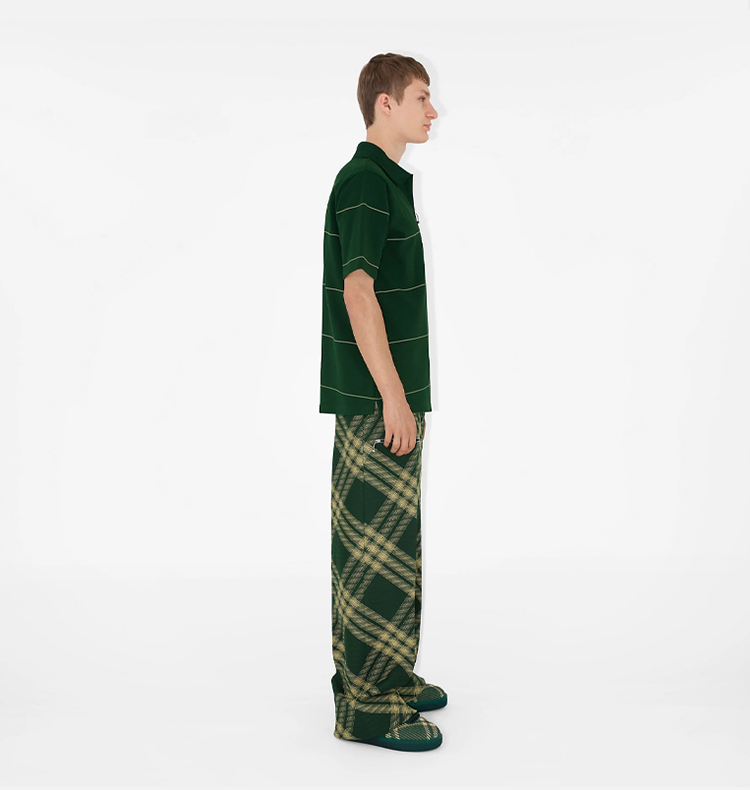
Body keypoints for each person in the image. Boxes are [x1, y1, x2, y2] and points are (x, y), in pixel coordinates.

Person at [319, 52, 445, 752]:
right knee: (374, 555)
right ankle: (367, 708)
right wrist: (394, 398)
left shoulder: (383, 181)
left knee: (390, 548)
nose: (433, 111)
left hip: (385, 400)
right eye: (422, 97)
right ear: (385, 104)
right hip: (377, 403)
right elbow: (358, 291)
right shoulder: (366, 181)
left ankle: (388, 677)